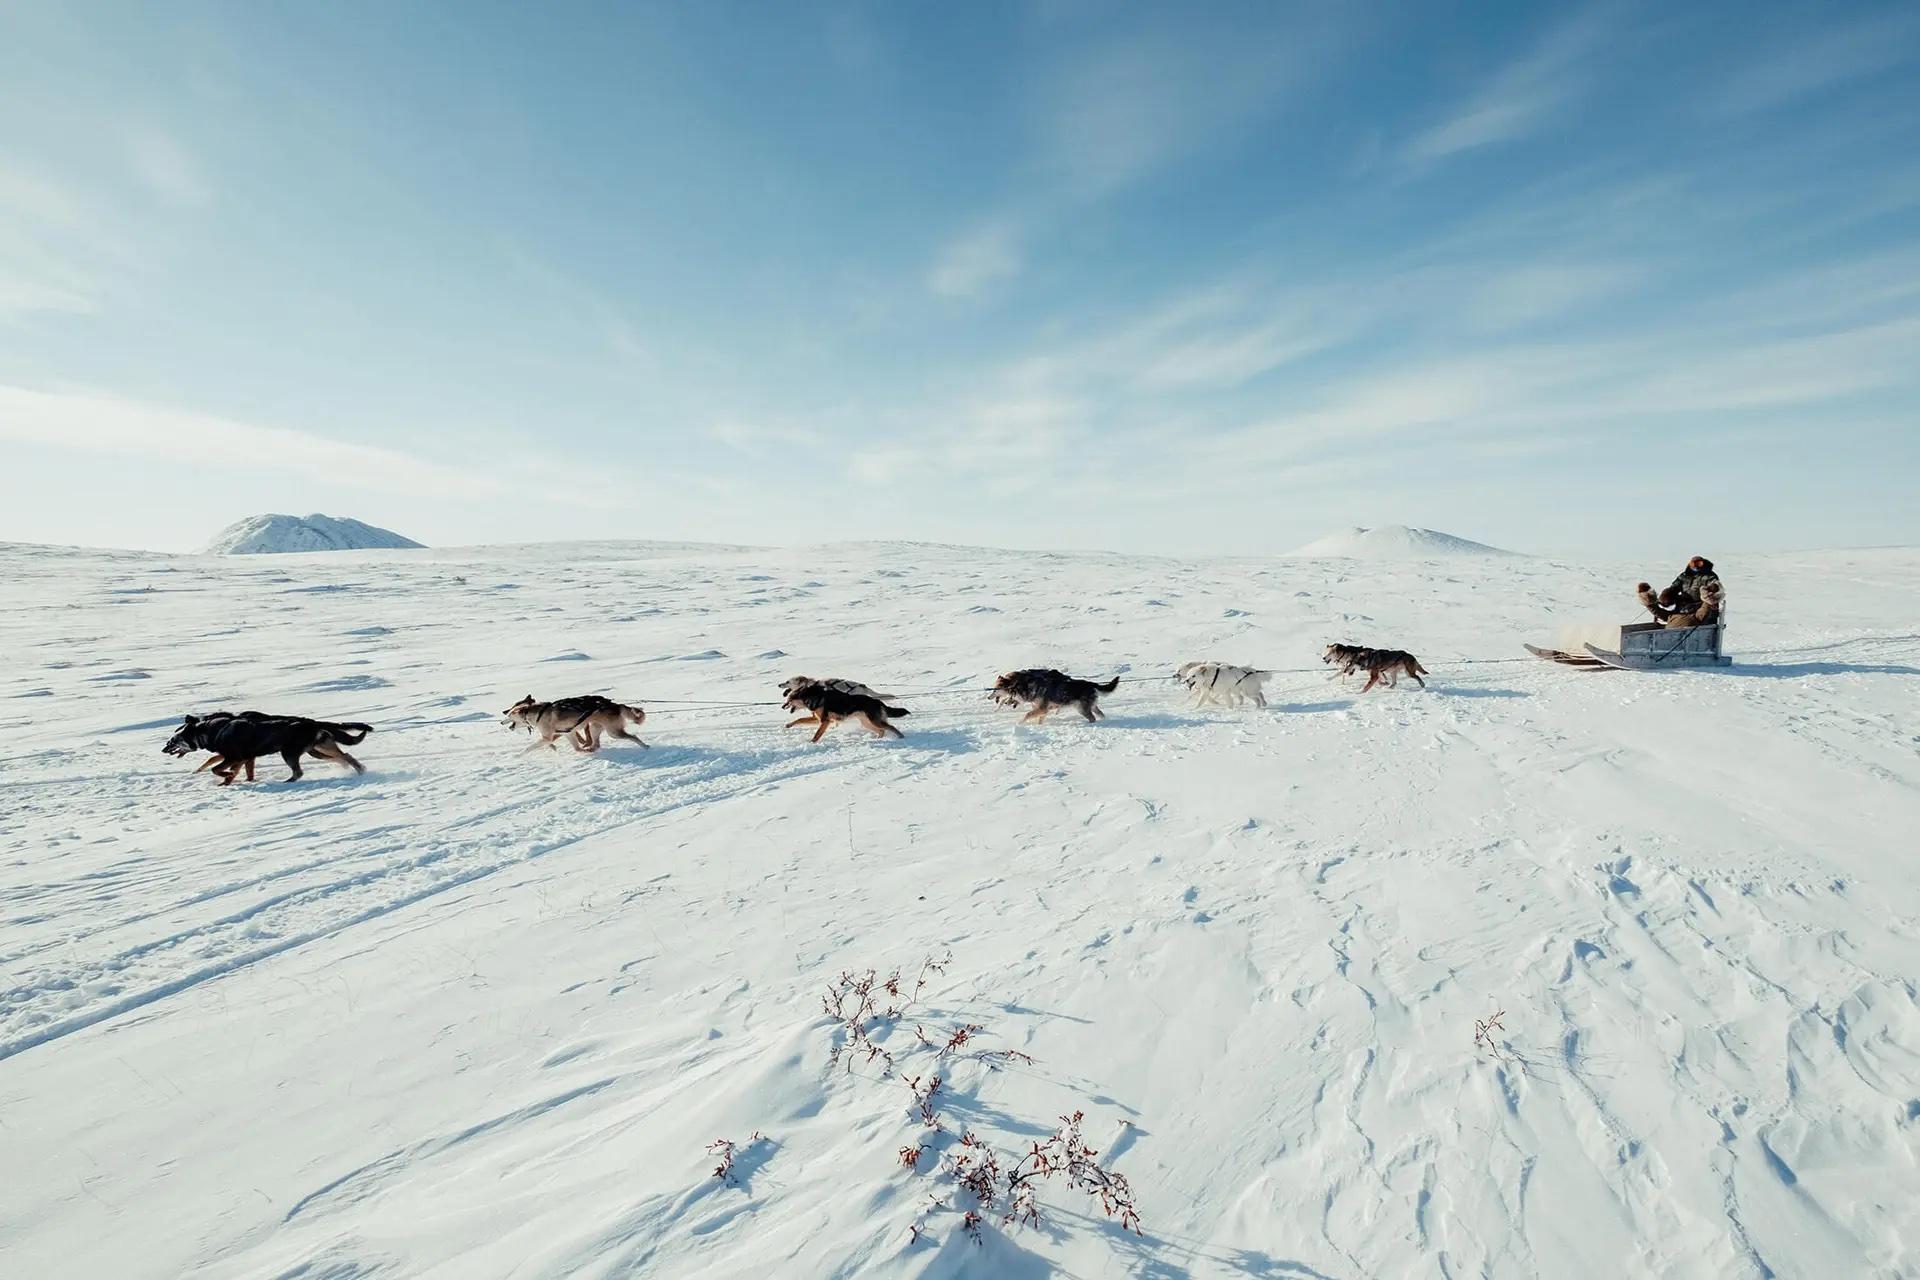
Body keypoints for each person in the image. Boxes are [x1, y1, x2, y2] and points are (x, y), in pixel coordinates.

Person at [1637, 555, 1723, 628]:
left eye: (1699, 563)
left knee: (1703, 612)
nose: (1696, 567)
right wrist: (1668, 594)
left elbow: (1714, 585)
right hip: (1683, 607)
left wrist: (1709, 592)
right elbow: (1675, 586)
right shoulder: (1684, 576)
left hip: (1699, 606)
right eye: (1693, 564)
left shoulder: (1709, 576)